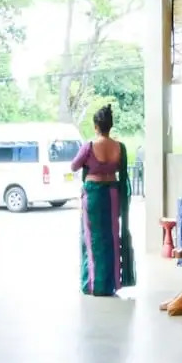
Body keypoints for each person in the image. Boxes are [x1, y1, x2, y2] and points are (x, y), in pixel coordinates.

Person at [71, 104, 136, 297]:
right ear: (110, 125)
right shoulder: (119, 147)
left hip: (93, 195)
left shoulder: (89, 146)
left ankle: (94, 284)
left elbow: (74, 166)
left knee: (92, 239)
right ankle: (111, 284)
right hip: (113, 195)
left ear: (96, 126)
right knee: (111, 238)